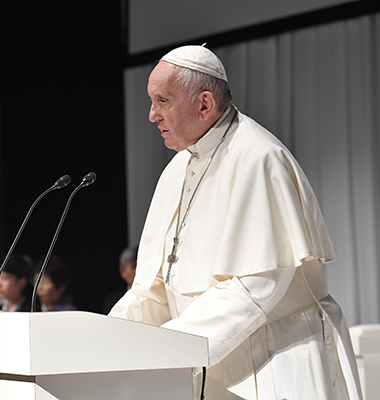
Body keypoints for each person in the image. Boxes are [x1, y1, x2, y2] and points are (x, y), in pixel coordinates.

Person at [108, 45, 362, 399]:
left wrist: (170, 349)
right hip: (205, 356)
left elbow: (254, 288)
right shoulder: (176, 169)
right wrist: (106, 339)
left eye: (162, 101)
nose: (152, 115)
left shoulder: (259, 157)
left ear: (205, 104)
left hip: (273, 357)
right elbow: (153, 289)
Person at [102, 246, 137, 314]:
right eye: (133, 266)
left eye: (140, 266)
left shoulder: (156, 296)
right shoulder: (112, 301)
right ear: (122, 272)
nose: (138, 270)